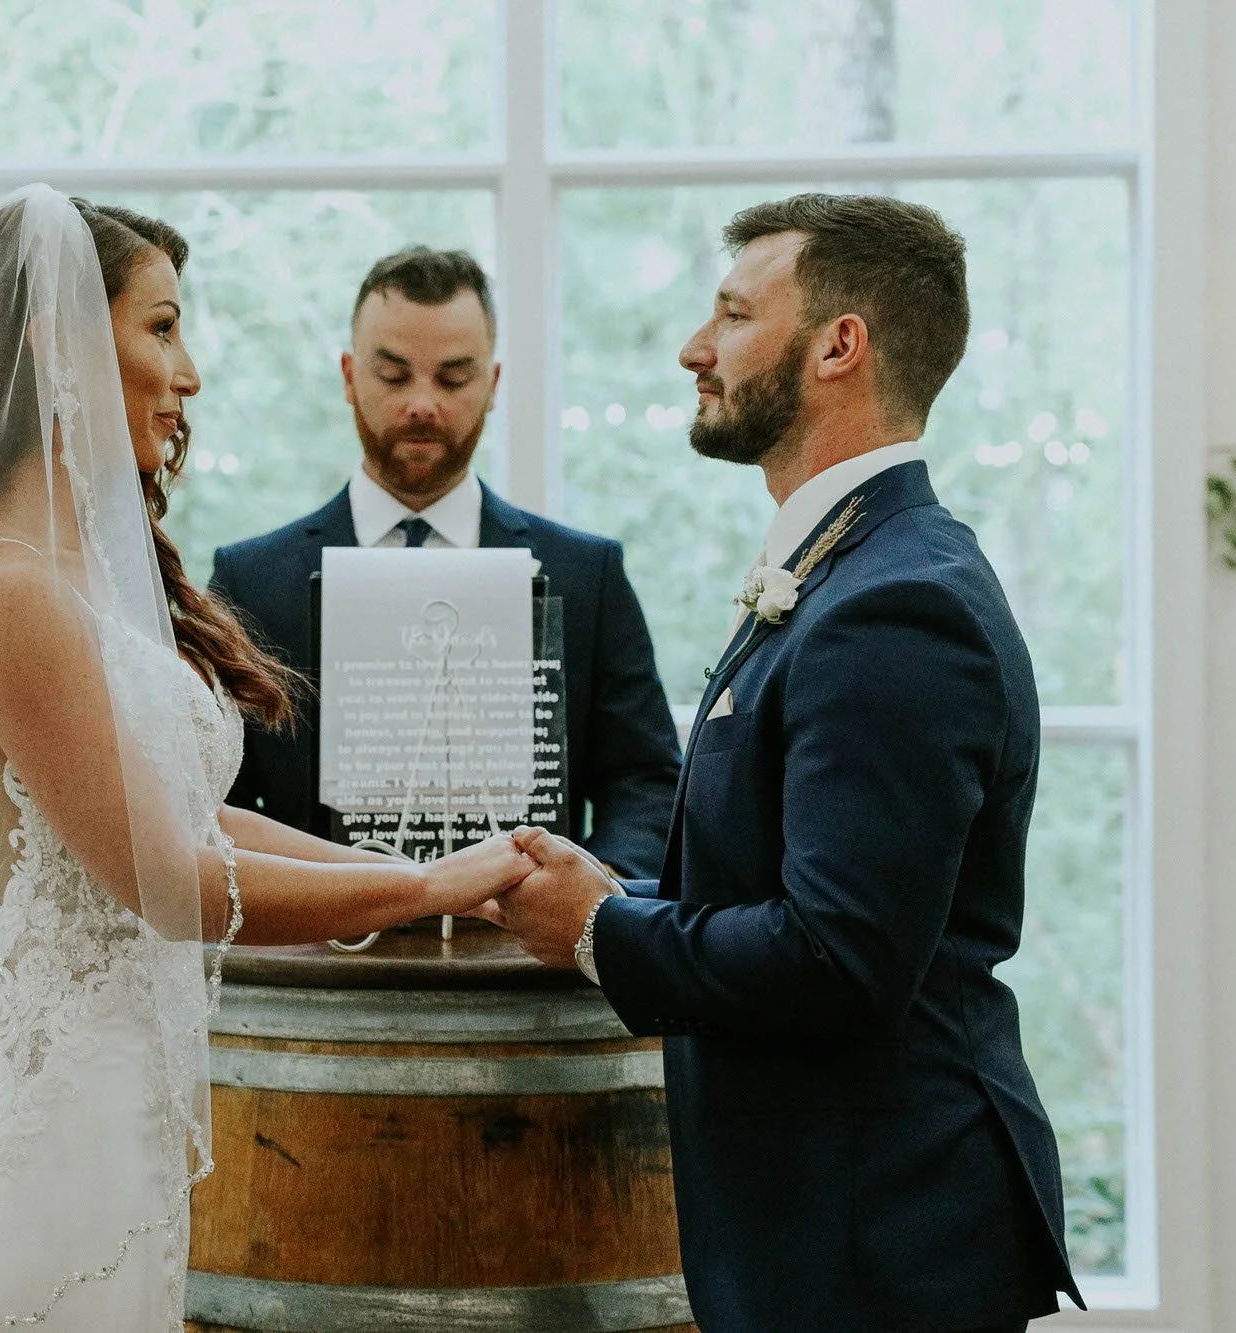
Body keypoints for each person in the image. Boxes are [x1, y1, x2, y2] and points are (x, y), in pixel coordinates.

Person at [0, 187, 534, 1333]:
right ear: (58, 343)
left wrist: (410, 877)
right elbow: (168, 881)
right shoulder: (5, 589)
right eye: (162, 326)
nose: (187, 373)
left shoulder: (79, 574)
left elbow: (189, 818)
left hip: (112, 1091)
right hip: (44, 1104)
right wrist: (424, 889)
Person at [487, 195, 1087, 1332]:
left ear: (837, 345)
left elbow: (836, 957)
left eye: (731, 314)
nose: (693, 348)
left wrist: (598, 930)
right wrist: (615, 891)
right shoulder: (847, 566)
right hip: (824, 1227)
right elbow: (791, 880)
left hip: (878, 1241)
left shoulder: (898, 604)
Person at [210, 247, 681, 878]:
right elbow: (217, 798)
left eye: (453, 378)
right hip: (320, 935)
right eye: (394, 376)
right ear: (349, 376)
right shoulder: (249, 583)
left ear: (493, 384)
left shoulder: (586, 574)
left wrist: (589, 892)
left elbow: (645, 783)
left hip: (535, 936)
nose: (423, 404)